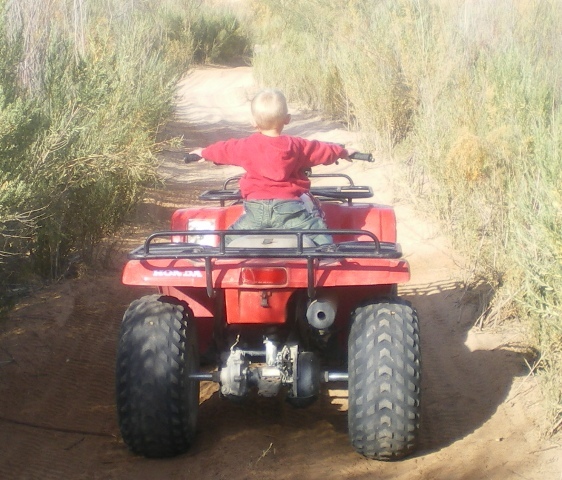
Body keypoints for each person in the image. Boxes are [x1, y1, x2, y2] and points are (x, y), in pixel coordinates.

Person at [189, 88, 353, 245]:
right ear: (287, 119)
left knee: (228, 240)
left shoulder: (246, 145)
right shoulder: (296, 145)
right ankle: (327, 260)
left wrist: (203, 153)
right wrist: (342, 152)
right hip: (289, 209)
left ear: (253, 122)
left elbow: (224, 150)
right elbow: (321, 150)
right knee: (319, 236)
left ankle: (218, 262)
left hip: (255, 211)